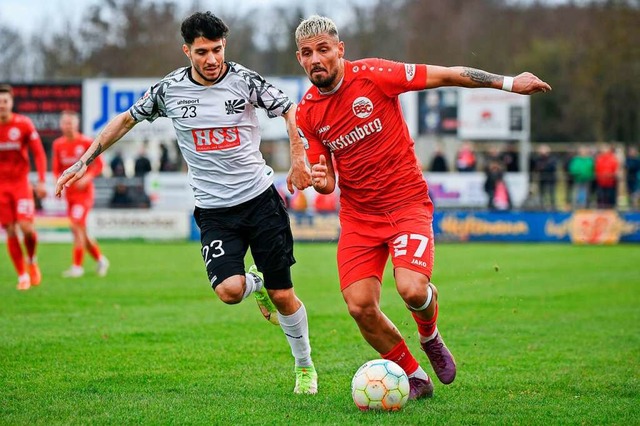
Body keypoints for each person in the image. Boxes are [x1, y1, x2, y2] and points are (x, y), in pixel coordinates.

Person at [55, 11, 317, 394]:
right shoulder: (169, 90)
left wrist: (298, 154)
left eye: (217, 49)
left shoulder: (244, 81)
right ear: (186, 51)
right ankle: (252, 281)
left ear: (224, 45)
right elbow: (126, 120)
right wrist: (83, 161)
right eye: (202, 52)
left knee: (283, 295)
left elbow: (290, 108)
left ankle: (305, 367)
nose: (211, 59)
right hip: (213, 211)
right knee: (228, 291)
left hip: (261, 201)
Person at [294, 15, 551, 400]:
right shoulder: (308, 112)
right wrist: (318, 179)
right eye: (307, 53)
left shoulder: (375, 75)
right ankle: (415, 376)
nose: (316, 58)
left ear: (340, 50)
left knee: (412, 289)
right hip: (359, 218)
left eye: (323, 49)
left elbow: (447, 74)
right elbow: (327, 180)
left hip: (405, 204)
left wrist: (510, 83)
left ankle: (429, 335)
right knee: (360, 306)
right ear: (300, 58)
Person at [0, 84, 47, 291]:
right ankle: (22, 276)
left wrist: (42, 180)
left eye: (5, 101)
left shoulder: (23, 124)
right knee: (10, 230)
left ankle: (32, 260)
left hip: (20, 184)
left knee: (27, 229)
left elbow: (38, 153)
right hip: (1, 188)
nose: (2, 106)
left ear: (11, 103)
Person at [52, 111, 110, 278]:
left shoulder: (85, 142)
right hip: (70, 195)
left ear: (76, 124)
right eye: (65, 123)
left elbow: (99, 165)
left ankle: (77, 267)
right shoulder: (58, 144)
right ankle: (100, 259)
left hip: (84, 194)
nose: (68, 126)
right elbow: (57, 169)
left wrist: (88, 177)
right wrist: (59, 181)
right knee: (80, 231)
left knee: (76, 226)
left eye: (70, 123)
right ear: (61, 125)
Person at [568, 145, 594, 209]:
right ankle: (576, 206)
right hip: (578, 179)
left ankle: (585, 206)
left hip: (587, 179)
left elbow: (592, 169)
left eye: (584, 151)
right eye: (581, 151)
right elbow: (572, 169)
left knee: (586, 194)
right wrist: (578, 173)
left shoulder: (589, 160)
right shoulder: (576, 160)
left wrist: (589, 175)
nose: (583, 152)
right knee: (577, 193)